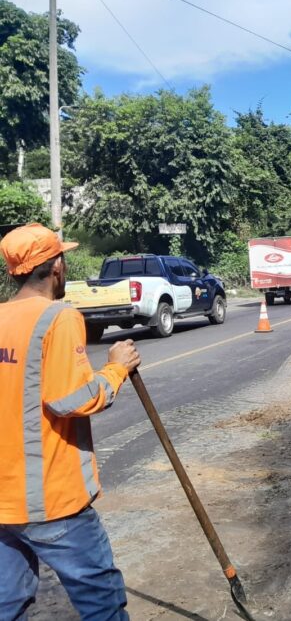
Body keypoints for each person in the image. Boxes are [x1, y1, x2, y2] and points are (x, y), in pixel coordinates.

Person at [0, 224, 140, 620]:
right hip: (50, 499)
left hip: (3, 502)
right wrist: (117, 369)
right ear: (56, 265)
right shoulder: (58, 317)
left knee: (7, 604)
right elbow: (70, 400)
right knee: (101, 600)